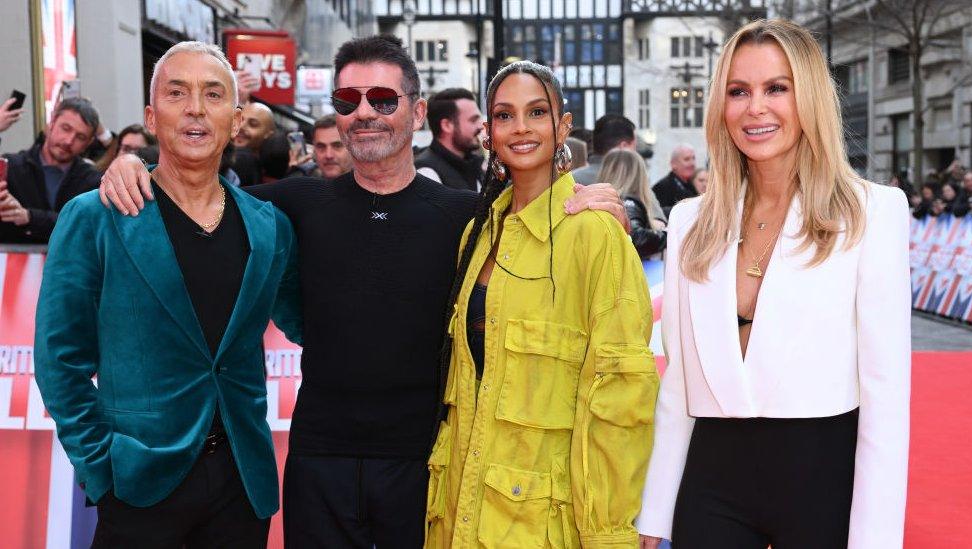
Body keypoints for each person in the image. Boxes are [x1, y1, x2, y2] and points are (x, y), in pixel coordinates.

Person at [98, 35, 626, 549]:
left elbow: (544, 220)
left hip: (426, 461)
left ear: (417, 113)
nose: (364, 112)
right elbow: (195, 193)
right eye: (348, 101)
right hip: (319, 462)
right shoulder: (295, 203)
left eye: (383, 99)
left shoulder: (466, 216)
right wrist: (132, 164)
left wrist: (601, 205)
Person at [637, 19, 910, 549]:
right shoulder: (693, 222)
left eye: (776, 88)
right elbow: (679, 382)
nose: (755, 108)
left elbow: (887, 396)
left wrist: (875, 539)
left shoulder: (872, 213)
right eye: (738, 91)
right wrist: (657, 510)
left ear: (808, 97)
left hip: (823, 482)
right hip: (712, 480)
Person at [34, 41, 301, 548]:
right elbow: (58, 360)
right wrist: (102, 469)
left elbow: (313, 323)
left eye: (213, 94)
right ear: (152, 119)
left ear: (235, 119)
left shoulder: (270, 227)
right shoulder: (95, 217)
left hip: (241, 487)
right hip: (138, 486)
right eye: (178, 93)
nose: (196, 107)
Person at [426, 60, 657, 549]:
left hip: (547, 524)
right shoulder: (478, 233)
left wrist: (609, 530)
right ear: (488, 133)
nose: (522, 128)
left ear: (563, 126)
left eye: (537, 112)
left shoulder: (594, 235)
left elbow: (620, 394)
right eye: (505, 115)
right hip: (460, 513)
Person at [0, 97, 103, 243]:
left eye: (80, 137)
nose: (68, 141)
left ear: (89, 143)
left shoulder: (92, 181)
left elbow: (84, 226)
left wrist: (29, 217)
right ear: (51, 124)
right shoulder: (12, 167)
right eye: (65, 128)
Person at [597, 148, 667, 258]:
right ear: (638, 175)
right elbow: (636, 238)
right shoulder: (626, 202)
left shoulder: (599, 202)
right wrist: (666, 234)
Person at [415, 88, 484, 191]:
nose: (480, 126)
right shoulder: (427, 174)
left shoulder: (473, 166)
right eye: (473, 120)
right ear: (447, 125)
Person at [571, 114, 637, 185]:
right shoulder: (633, 184)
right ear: (623, 147)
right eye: (634, 146)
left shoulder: (572, 180)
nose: (636, 153)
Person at [652, 143, 698, 220]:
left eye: (693, 158)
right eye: (687, 159)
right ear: (673, 164)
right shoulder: (663, 187)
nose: (692, 163)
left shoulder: (692, 184)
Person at [311, 114, 353, 180]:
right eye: (321, 147)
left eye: (337, 146)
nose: (328, 155)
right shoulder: (302, 187)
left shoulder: (371, 188)